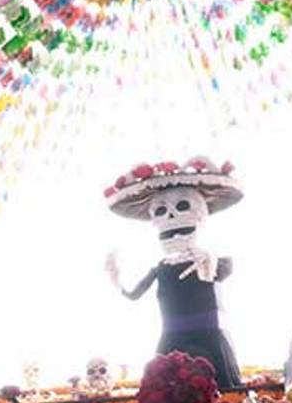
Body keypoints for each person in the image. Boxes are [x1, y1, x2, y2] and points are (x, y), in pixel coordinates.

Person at [103, 157, 244, 390]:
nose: (170, 217)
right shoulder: (161, 268)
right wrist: (116, 279)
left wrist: (209, 261)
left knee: (222, 391)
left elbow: (222, 270)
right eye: (161, 210)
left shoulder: (211, 260)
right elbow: (133, 294)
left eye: (182, 206)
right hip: (172, 342)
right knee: (170, 394)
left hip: (210, 339)